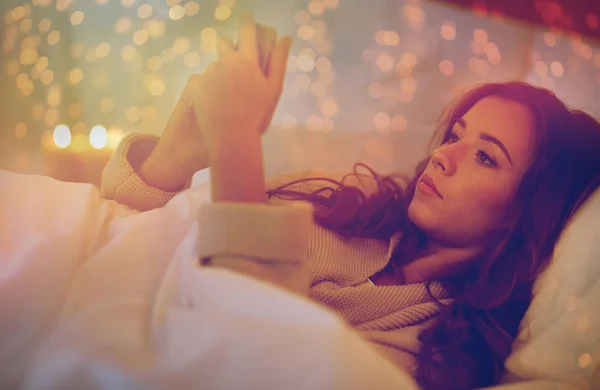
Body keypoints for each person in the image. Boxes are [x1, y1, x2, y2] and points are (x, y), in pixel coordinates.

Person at [100, 15, 600, 390]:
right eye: (455, 135)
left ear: (526, 214)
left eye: (486, 157)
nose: (446, 155)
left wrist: (235, 140)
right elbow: (121, 222)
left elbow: (253, 356)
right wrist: (176, 154)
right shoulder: (336, 198)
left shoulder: (435, 349)